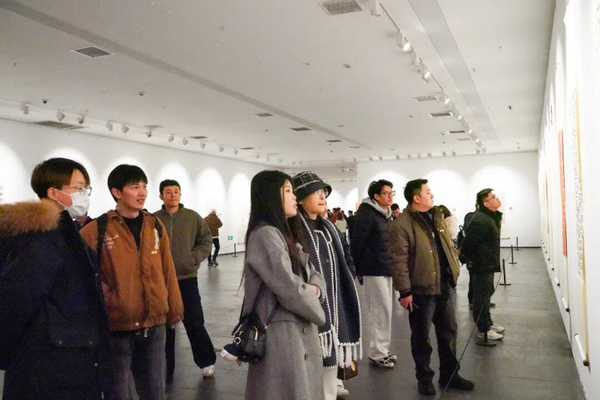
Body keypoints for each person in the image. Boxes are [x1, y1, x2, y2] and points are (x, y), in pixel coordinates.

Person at [0, 157, 109, 399]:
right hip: (51, 357)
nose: (85, 194)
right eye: (79, 188)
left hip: (67, 348)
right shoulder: (42, 237)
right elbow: (17, 298)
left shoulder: (63, 232)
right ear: (53, 192)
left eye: (86, 188)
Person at [81, 164, 184, 400]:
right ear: (117, 192)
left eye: (144, 186)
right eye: (135, 187)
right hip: (117, 327)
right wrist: (111, 302)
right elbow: (85, 279)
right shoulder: (96, 230)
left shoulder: (154, 225)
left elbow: (167, 270)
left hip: (154, 323)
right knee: (117, 391)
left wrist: (175, 309)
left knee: (155, 391)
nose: (142, 192)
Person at [241, 170, 326, 400]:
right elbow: (289, 287)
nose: (294, 197)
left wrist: (314, 289)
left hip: (293, 330)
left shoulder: (283, 233)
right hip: (281, 335)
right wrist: (313, 294)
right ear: (271, 196)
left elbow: (315, 274)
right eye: (288, 191)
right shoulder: (265, 234)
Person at [389, 179, 474, 396]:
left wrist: (454, 269)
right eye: (428, 192)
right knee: (421, 337)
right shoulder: (402, 225)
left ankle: (450, 374)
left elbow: (447, 246)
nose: (432, 195)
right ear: (416, 198)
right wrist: (405, 291)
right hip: (420, 291)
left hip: (444, 285)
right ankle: (424, 378)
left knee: (449, 332)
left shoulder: (437, 217)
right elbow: (399, 260)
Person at [291, 171, 361, 400]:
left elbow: (346, 252)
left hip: (335, 300)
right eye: (316, 192)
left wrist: (349, 273)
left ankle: (331, 390)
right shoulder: (294, 230)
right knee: (313, 362)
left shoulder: (328, 228)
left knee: (331, 356)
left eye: (324, 192)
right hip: (310, 306)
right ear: (301, 199)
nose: (323, 197)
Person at [154, 180, 216, 381]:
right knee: (164, 327)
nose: (173, 195)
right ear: (161, 196)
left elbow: (206, 240)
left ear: (180, 194)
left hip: (186, 278)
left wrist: (193, 258)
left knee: (194, 322)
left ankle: (206, 361)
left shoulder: (192, 217)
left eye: (176, 191)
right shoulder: (154, 219)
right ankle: (165, 369)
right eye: (168, 192)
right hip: (162, 280)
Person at [350, 179, 396, 368]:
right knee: (380, 311)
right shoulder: (367, 214)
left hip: (385, 267)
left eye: (392, 193)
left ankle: (382, 349)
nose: (390, 196)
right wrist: (358, 269)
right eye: (387, 193)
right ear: (376, 196)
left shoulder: (385, 214)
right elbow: (357, 243)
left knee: (386, 311)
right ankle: (377, 353)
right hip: (373, 268)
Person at [460, 189, 505, 341]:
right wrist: (476, 259)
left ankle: (488, 323)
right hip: (481, 265)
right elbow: (468, 244)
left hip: (487, 263)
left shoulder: (489, 217)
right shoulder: (481, 220)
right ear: (486, 203)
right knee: (481, 297)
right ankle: (483, 329)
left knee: (486, 295)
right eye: (493, 197)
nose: (497, 199)